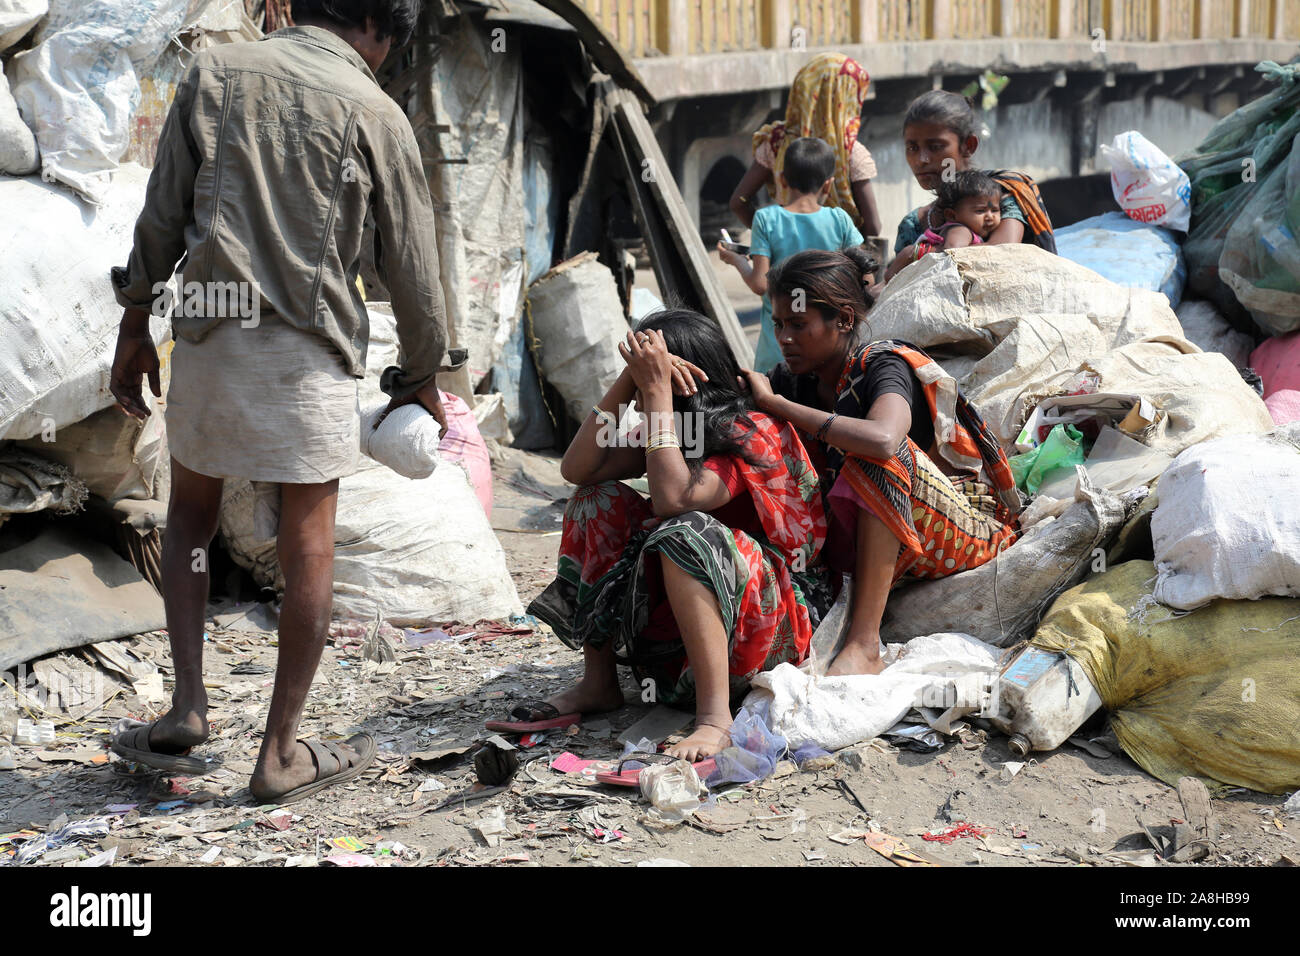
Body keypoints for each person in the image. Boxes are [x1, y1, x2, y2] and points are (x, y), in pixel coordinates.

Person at [106, 0, 451, 803]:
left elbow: (161, 217)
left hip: (209, 330)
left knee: (190, 518)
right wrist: (422, 375)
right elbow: (414, 265)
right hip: (307, 347)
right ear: (383, 31)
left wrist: (133, 321)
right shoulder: (376, 108)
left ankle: (188, 706)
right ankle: (279, 754)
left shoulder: (214, 71)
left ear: (296, 7)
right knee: (308, 543)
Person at [491, 310, 830, 762]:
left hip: (770, 627)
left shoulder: (751, 429)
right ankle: (599, 684)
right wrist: (630, 383)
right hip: (678, 642)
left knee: (684, 533)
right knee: (597, 499)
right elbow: (578, 470)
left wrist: (654, 395)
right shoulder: (676, 428)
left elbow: (674, 498)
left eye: (656, 372)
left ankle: (715, 717)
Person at [739, 249, 1022, 676]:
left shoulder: (883, 365)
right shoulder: (795, 381)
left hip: (958, 527)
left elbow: (885, 439)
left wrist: (778, 406)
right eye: (778, 324)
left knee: (873, 457)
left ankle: (864, 644)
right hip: (874, 536)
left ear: (845, 320)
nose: (785, 338)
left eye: (799, 324)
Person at [717, 137, 864, 373]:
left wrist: (736, 260)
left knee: (775, 403)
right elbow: (864, 276)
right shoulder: (839, 219)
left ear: (782, 179)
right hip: (826, 346)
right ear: (828, 185)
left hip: (778, 350)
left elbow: (759, 284)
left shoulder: (766, 219)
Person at [886, 90, 1055, 280]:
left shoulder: (1000, 198)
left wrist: (914, 254)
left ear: (969, 146)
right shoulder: (913, 224)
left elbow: (1003, 252)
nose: (922, 160)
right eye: (912, 148)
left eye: (935, 147)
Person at [730, 53, 882, 237]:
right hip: (839, 260)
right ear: (842, 99)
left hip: (787, 261)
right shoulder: (850, 152)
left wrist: (771, 240)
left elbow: (738, 202)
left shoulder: (776, 143)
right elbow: (873, 227)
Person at [890, 169, 1003, 273]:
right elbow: (954, 253)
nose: (990, 217)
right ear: (951, 215)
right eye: (980, 211)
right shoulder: (960, 230)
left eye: (995, 210)